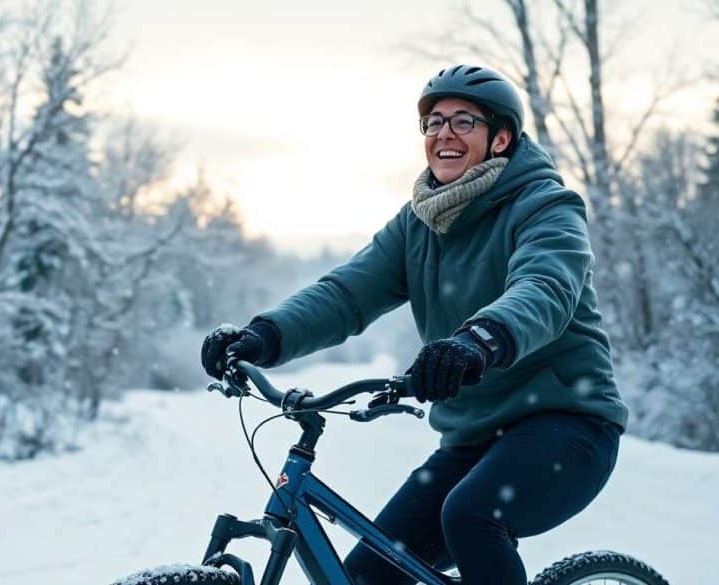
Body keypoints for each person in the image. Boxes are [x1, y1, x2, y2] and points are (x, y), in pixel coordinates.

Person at [200, 64, 628, 585]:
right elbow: (344, 295)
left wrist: (480, 340)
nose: (443, 134)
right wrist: (263, 337)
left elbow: (545, 287)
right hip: (472, 439)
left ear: (501, 138)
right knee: (368, 578)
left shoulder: (545, 206)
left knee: (471, 515)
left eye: (463, 121)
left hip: (568, 424)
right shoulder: (418, 223)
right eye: (433, 123)